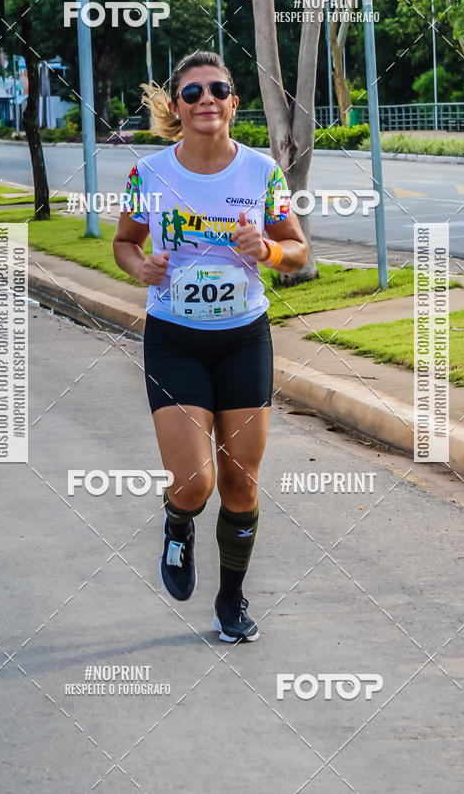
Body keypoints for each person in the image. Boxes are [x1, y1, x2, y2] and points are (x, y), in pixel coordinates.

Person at [112, 50, 308, 643]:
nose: (206, 100)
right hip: (175, 340)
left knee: (241, 481)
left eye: (217, 90)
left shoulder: (261, 173)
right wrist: (141, 268)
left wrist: (267, 250)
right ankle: (178, 523)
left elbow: (297, 249)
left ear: (233, 103)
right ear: (176, 107)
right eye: (192, 93)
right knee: (195, 483)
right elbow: (125, 242)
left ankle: (231, 599)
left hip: (244, 339)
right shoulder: (148, 175)